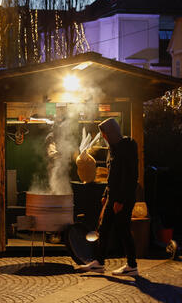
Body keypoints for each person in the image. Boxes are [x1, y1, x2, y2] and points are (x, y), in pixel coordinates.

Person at [79, 118, 139, 276]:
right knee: (103, 228)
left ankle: (132, 265)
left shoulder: (127, 148)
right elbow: (112, 176)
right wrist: (106, 194)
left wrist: (121, 200)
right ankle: (99, 262)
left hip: (123, 198)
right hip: (112, 196)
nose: (103, 137)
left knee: (123, 229)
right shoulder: (112, 149)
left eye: (105, 134)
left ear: (111, 133)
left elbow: (130, 177)